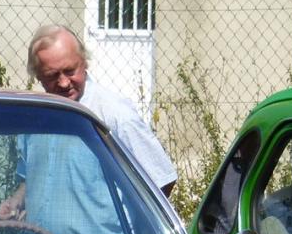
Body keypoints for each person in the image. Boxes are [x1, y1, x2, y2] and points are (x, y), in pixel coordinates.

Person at [23, 24, 177, 197]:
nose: (64, 83)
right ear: (38, 76)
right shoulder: (36, 118)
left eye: (70, 71)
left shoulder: (114, 115)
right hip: (36, 226)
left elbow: (161, 180)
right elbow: (30, 178)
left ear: (84, 62)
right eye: (52, 75)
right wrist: (16, 201)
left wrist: (133, 222)